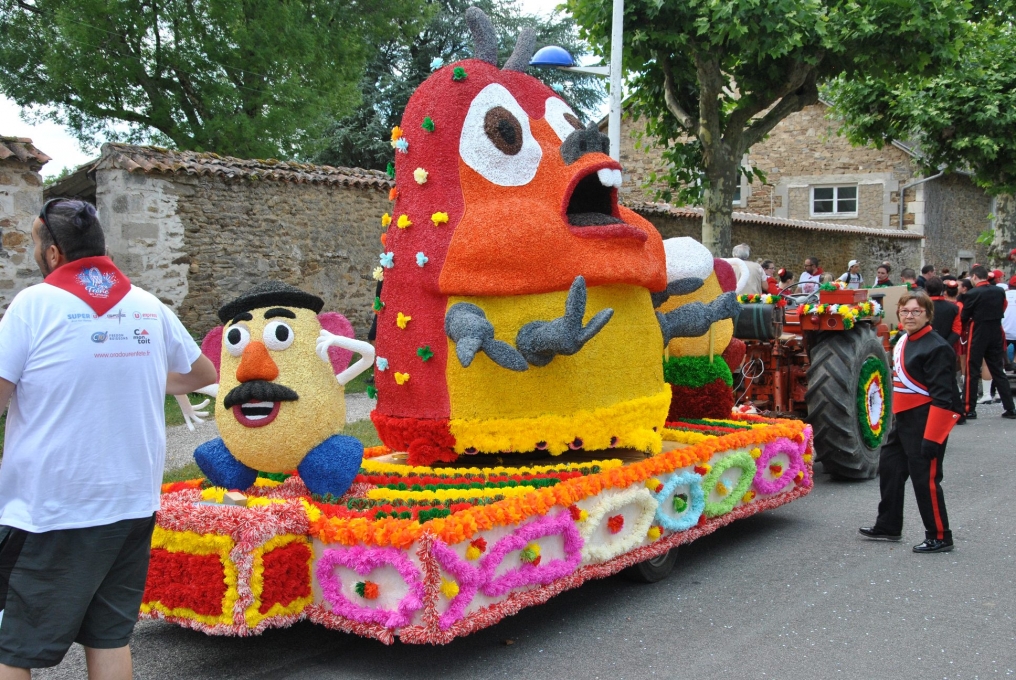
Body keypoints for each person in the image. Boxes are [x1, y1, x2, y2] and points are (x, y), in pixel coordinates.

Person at [0, 199, 218, 678]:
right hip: (131, 502)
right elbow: (202, 372)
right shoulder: (147, 305)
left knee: (16, 647)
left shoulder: (32, 305)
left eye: (35, 244)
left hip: (53, 508)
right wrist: (138, 375)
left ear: (53, 253)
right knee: (110, 637)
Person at [859, 291, 960, 553]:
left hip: (926, 421)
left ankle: (940, 536)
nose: (909, 316)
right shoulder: (904, 339)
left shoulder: (937, 347)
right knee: (890, 469)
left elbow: (944, 398)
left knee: (925, 479)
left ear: (928, 315)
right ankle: (889, 525)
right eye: (904, 311)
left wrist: (933, 437)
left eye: (916, 311)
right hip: (903, 420)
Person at [960, 266, 1016, 419]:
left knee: (972, 370)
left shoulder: (972, 293)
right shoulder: (999, 291)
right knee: (998, 370)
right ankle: (1010, 408)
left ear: (974, 277)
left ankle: (969, 408)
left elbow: (965, 315)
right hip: (996, 330)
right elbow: (1003, 306)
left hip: (978, 330)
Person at [927, 277, 962, 346]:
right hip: (945, 344)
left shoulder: (921, 306)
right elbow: (957, 330)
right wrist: (946, 345)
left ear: (927, 290)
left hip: (924, 344)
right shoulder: (954, 308)